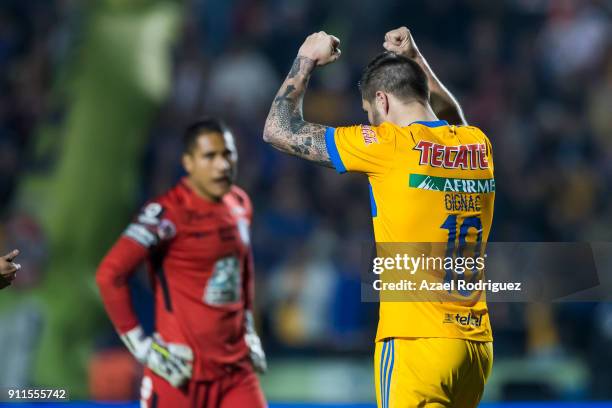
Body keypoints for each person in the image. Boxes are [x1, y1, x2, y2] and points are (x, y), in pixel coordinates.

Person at [263, 27, 494, 408]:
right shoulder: (476, 145)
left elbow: (278, 130)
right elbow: (452, 118)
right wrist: (416, 61)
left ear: (382, 101)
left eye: (370, 114)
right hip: (475, 347)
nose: (371, 124)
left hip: (415, 344)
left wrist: (305, 57)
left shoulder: (388, 146)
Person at [96, 118, 267, 408]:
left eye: (228, 154)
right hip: (179, 373)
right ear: (188, 163)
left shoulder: (240, 203)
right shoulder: (166, 213)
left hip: (235, 374)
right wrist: (142, 347)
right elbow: (109, 274)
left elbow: (242, 269)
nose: (222, 165)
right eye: (209, 156)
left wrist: (249, 329)